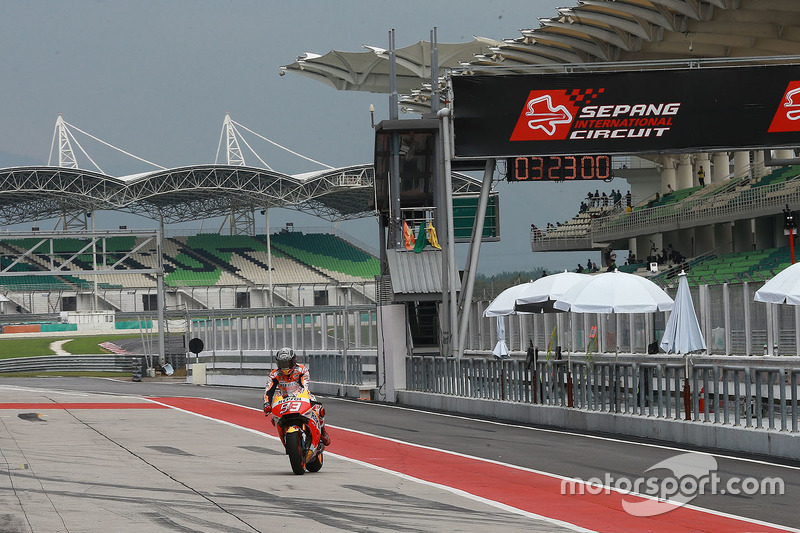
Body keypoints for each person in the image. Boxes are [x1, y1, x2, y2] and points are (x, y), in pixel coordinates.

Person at [263, 347, 330, 446]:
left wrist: (306, 397)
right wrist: (266, 404)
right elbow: (268, 391)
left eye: (287, 363)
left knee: (318, 408)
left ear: (293, 361)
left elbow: (305, 385)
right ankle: (286, 437)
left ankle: (323, 431)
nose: (284, 367)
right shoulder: (274, 374)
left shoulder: (301, 370)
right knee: (274, 418)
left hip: (301, 395)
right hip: (283, 398)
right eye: (282, 364)